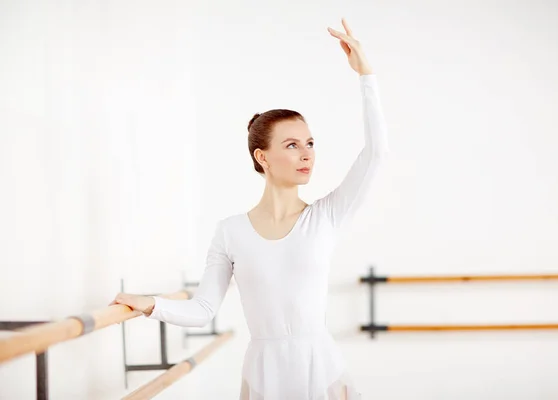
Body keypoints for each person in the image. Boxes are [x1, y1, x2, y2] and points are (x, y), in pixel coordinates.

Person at [109, 18, 389, 400]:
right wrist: (148, 305)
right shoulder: (231, 232)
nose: (307, 153)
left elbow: (376, 154)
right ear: (263, 156)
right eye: (291, 145)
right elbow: (203, 308)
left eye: (310, 143)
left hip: (320, 368)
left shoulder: (326, 217)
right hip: (264, 374)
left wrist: (366, 75)